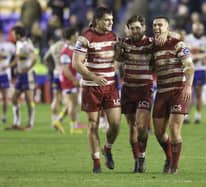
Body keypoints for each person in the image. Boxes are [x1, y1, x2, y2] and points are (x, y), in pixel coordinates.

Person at [72, 7, 121, 173]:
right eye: (107, 20)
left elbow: (117, 58)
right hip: (91, 87)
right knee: (93, 124)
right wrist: (94, 77)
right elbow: (76, 63)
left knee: (115, 124)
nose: (110, 23)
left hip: (110, 86)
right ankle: (96, 162)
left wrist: (116, 63)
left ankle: (107, 148)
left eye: (112, 20)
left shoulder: (114, 37)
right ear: (97, 20)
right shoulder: (85, 38)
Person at [152, 16, 194, 174]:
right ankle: (169, 157)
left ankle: (174, 166)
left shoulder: (178, 44)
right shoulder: (153, 45)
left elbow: (189, 66)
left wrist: (188, 86)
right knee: (159, 132)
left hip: (178, 90)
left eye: (160, 25)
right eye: (155, 25)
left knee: (174, 128)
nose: (157, 27)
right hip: (162, 92)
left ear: (167, 26)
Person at [118, 15, 153, 173]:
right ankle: (136, 160)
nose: (135, 31)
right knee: (132, 126)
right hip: (128, 89)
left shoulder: (152, 43)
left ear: (144, 28)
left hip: (145, 89)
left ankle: (142, 156)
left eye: (138, 28)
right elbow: (118, 58)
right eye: (132, 28)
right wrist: (117, 48)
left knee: (141, 126)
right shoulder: (124, 43)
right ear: (128, 29)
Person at [184, 22, 206, 124]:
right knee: (188, 94)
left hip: (201, 70)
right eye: (196, 29)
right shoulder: (187, 39)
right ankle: (186, 116)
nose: (198, 31)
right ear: (193, 29)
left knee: (198, 94)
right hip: (189, 69)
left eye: (200, 29)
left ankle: (198, 116)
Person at [4, 25, 36, 130]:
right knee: (14, 98)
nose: (12, 36)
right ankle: (16, 122)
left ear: (18, 34)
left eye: (13, 34)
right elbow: (18, 59)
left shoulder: (27, 44)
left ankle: (30, 124)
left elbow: (34, 58)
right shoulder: (18, 43)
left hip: (27, 75)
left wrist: (28, 68)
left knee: (29, 99)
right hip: (21, 75)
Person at [56, 27, 82, 134]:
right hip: (68, 80)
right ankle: (73, 127)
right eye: (76, 34)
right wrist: (74, 79)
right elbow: (65, 69)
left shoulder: (74, 48)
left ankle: (58, 120)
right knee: (73, 104)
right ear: (72, 36)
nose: (78, 36)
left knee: (73, 103)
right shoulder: (65, 51)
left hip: (73, 79)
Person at [43, 32, 67, 132]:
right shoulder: (67, 46)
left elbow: (45, 58)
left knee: (56, 98)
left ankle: (54, 121)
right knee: (70, 100)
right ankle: (64, 120)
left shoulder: (53, 47)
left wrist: (52, 67)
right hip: (66, 73)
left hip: (56, 72)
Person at [0, 29, 16, 124]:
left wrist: (10, 66)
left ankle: (4, 116)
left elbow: (18, 56)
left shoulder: (9, 46)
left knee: (5, 96)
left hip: (4, 74)